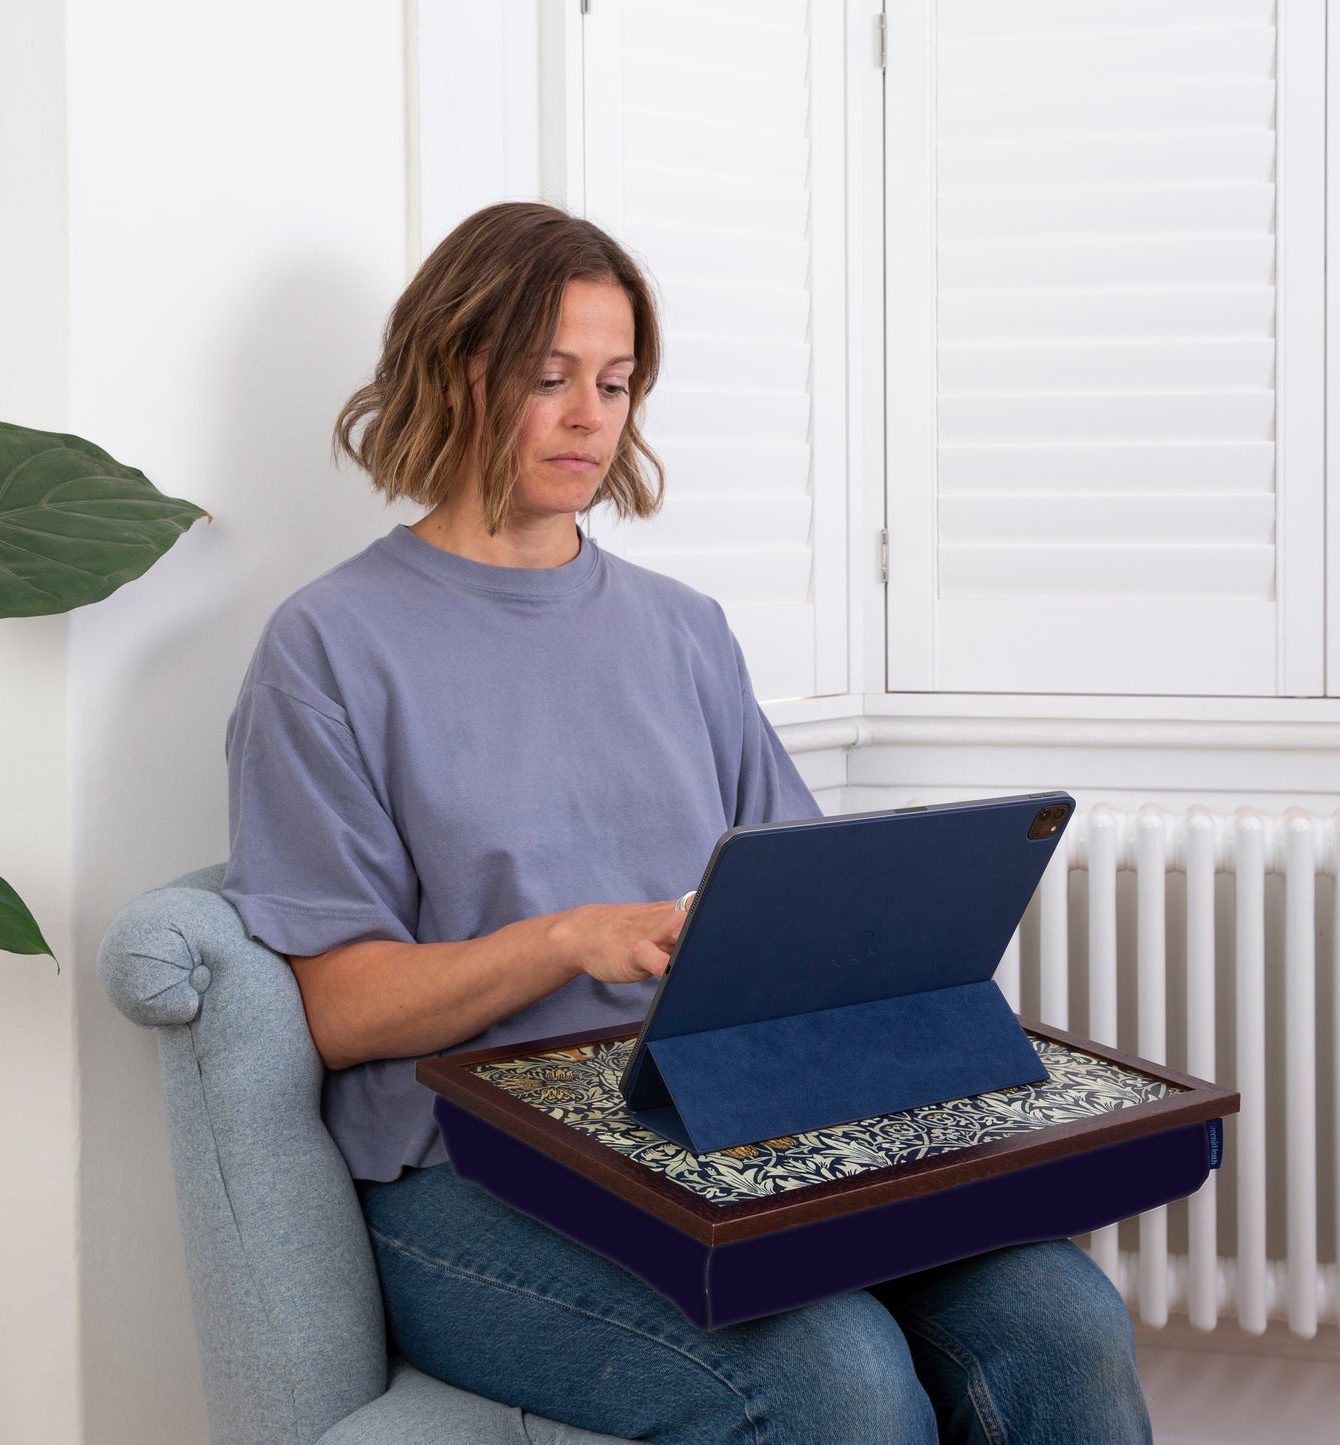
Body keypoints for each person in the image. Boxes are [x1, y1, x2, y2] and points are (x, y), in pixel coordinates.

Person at [222, 201, 1152, 1444]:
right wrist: (569, 939)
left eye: (613, 382)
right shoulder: (329, 646)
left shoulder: (679, 627)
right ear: (455, 370)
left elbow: (799, 899)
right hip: (468, 1176)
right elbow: (338, 1009)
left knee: (1062, 1318)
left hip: (718, 1131)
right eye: (547, 377)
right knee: (837, 1375)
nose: (588, 416)